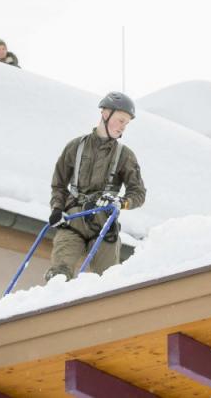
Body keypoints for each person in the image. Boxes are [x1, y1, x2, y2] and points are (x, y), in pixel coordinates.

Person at [44, 92, 146, 281]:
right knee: (58, 275)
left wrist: (121, 202)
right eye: (121, 120)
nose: (123, 127)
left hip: (104, 224)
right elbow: (58, 183)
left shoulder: (125, 155)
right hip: (73, 220)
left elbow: (138, 193)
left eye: (126, 123)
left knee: (107, 280)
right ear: (105, 114)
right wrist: (57, 208)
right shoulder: (75, 147)